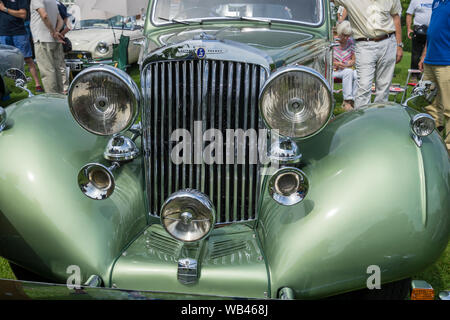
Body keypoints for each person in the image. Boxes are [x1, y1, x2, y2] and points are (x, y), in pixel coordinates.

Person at [331, 0, 404, 109]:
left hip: (389, 41)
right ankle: (361, 122)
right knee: (364, 87)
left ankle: (379, 118)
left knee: (384, 87)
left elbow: (396, 17)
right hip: (364, 44)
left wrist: (399, 45)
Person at [418, 0, 450, 152]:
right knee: (429, 105)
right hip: (430, 61)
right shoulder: (437, 2)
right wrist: (424, 54)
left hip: (446, 62)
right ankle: (434, 142)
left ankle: (448, 149)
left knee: (449, 109)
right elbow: (432, 31)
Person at [0, 0, 43, 92]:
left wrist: (5, 9)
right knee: (6, 62)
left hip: (19, 33)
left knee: (27, 59)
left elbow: (23, 14)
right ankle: (8, 88)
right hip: (3, 33)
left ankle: (37, 85)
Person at [30, 0, 65, 94]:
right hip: (54, 40)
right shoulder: (53, 1)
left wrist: (53, 31)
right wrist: (56, 31)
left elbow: (44, 15)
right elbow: (60, 20)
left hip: (42, 39)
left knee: (48, 72)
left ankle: (52, 100)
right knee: (57, 70)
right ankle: (60, 96)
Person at [406, 0, 433, 81]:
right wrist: (408, 28)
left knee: (430, 52)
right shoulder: (415, 1)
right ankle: (414, 75)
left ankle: (428, 75)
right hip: (418, 29)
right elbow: (409, 14)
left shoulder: (436, 1)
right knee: (416, 54)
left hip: (432, 29)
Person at [333, 21, 357, 111]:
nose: (347, 38)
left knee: (358, 74)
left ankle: (353, 101)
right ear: (340, 33)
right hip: (333, 70)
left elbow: (354, 59)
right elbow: (325, 60)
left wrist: (350, 63)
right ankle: (347, 101)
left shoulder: (351, 42)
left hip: (346, 69)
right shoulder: (333, 41)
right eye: (344, 35)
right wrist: (336, 64)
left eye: (349, 35)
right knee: (348, 72)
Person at [56, 0, 71, 94]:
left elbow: (69, 26)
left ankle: (64, 88)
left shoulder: (58, 5)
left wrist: (58, 35)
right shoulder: (59, 4)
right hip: (56, 37)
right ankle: (63, 88)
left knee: (60, 65)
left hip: (58, 39)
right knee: (60, 65)